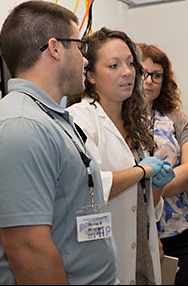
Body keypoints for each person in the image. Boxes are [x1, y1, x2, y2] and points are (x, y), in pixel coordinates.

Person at [0, 1, 119, 284]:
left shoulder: (49, 117)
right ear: (55, 48)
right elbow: (28, 249)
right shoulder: (20, 126)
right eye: (80, 46)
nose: (85, 59)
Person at [66, 28, 175, 285]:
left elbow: (148, 204)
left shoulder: (135, 123)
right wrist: (142, 172)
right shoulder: (79, 119)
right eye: (113, 65)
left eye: (129, 63)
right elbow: (89, 186)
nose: (127, 72)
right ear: (90, 75)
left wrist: (157, 185)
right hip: (101, 253)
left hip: (140, 249)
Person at [137, 42, 188, 285]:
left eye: (157, 75)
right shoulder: (116, 119)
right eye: (143, 73)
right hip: (139, 233)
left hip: (181, 230)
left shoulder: (176, 118)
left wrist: (151, 191)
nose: (149, 81)